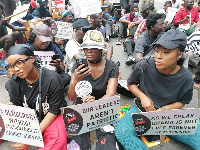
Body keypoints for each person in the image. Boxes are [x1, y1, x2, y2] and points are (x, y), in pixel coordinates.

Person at [114, 29, 200, 150]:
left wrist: (164, 110)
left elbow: (182, 102)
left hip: (168, 115)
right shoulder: (144, 65)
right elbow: (131, 84)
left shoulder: (186, 78)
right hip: (141, 109)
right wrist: (143, 97)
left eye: (166, 52)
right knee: (122, 131)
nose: (158, 56)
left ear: (179, 55)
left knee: (197, 135)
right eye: (157, 51)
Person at [6, 44, 67, 150]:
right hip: (30, 116)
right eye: (11, 66)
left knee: (57, 139)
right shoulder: (14, 82)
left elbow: (53, 111)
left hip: (52, 116)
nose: (15, 69)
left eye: (19, 62)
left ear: (32, 58)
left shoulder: (52, 79)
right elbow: (18, 109)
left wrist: (30, 138)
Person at [68, 30, 119, 104]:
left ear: (100, 49)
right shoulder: (78, 66)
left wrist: (95, 104)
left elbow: (110, 94)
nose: (89, 51)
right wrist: (75, 80)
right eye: (86, 48)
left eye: (94, 48)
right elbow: (71, 97)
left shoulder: (112, 67)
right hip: (82, 103)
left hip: (104, 103)